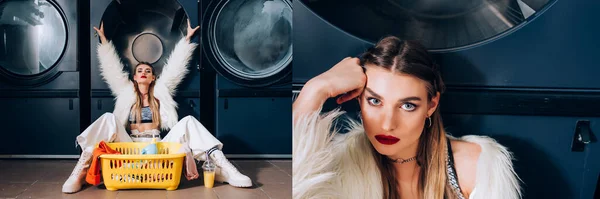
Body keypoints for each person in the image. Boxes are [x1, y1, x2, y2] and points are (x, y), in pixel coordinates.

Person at [292, 36, 521, 199]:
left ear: (431, 105)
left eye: (408, 105)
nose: (388, 123)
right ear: (359, 101)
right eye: (375, 101)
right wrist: (315, 89)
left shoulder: (476, 167)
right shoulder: (338, 166)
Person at [62, 20, 252, 193]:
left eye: (148, 71)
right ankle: (80, 172)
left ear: (153, 77)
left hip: (158, 146)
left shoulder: (161, 92)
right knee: (108, 118)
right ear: (134, 77)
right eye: (139, 71)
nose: (143, 72)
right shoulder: (125, 92)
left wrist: (187, 40)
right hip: (129, 146)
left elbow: (174, 69)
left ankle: (225, 169)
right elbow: (112, 69)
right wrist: (103, 41)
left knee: (189, 122)